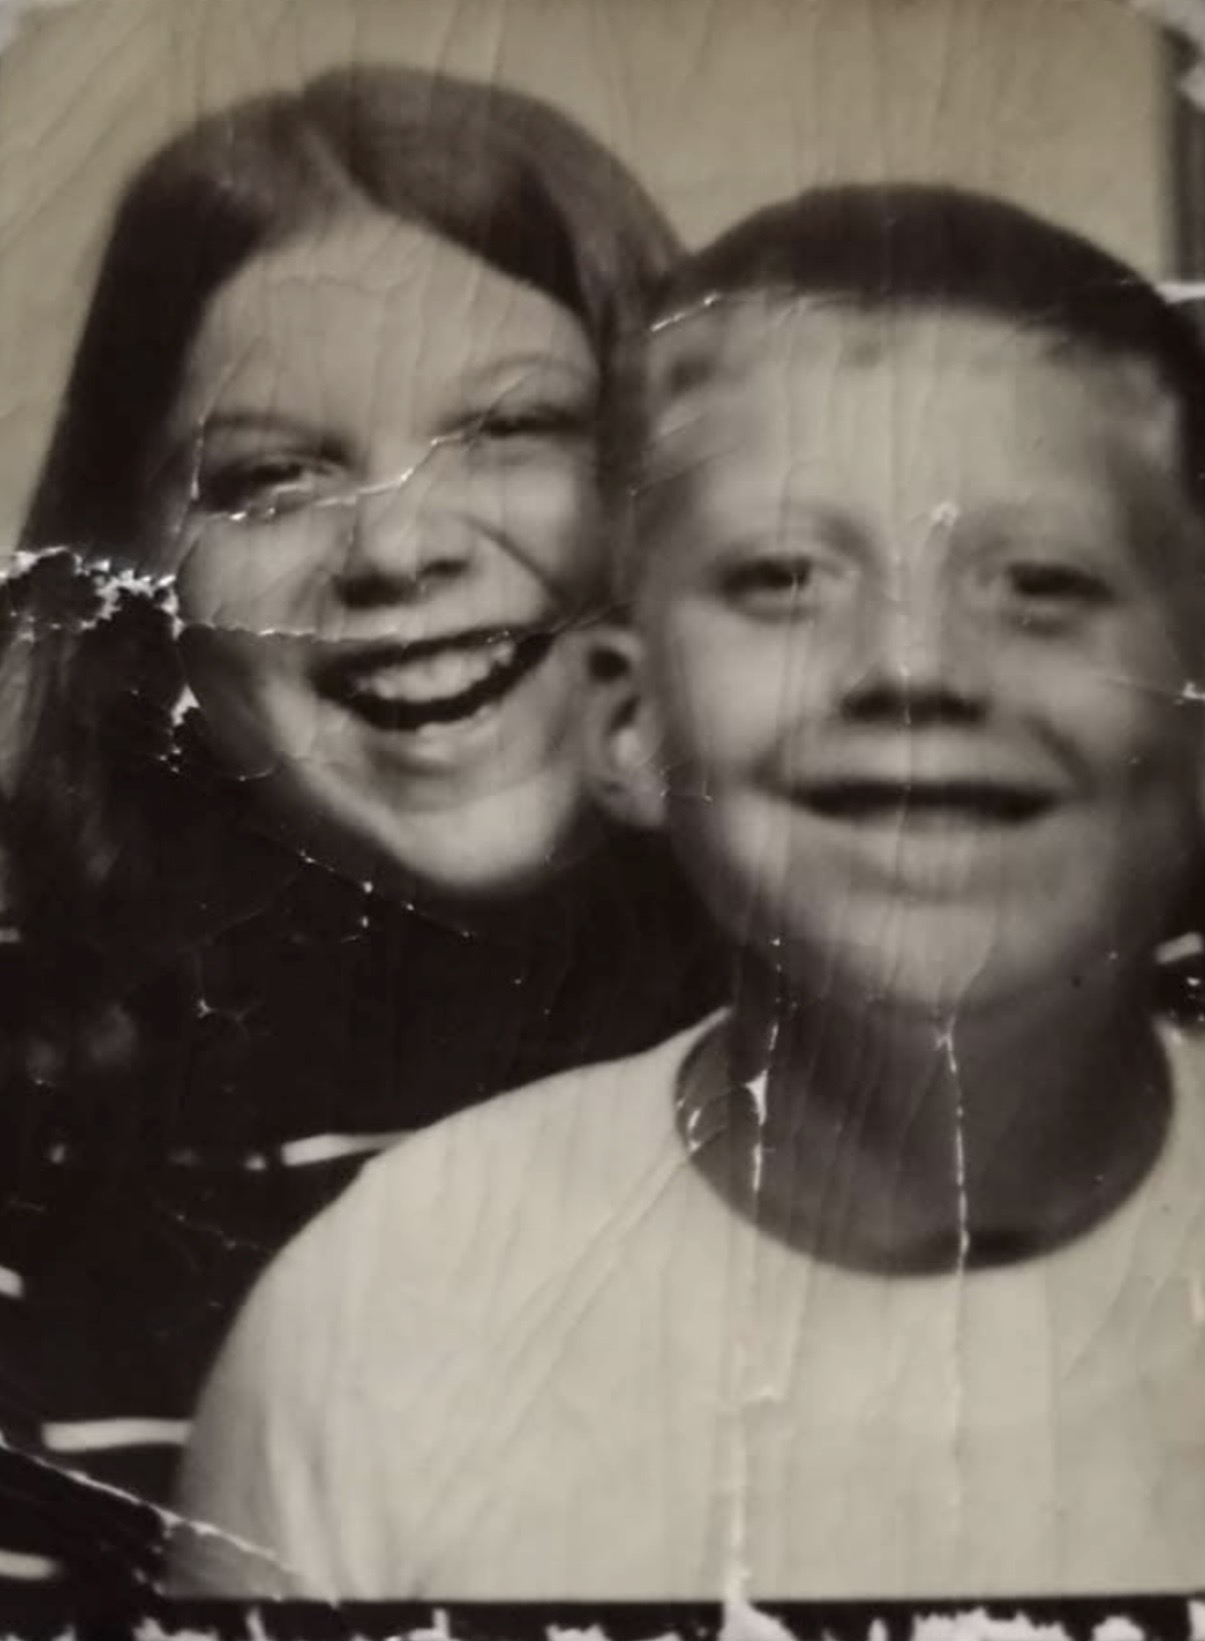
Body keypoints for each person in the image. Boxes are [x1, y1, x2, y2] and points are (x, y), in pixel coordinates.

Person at [171, 185, 1205, 1601]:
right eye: (783, 576)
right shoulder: (377, 1328)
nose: (913, 668)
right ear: (629, 723)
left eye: (1041, 581)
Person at [0, 65, 724, 1594]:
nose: (397, 544)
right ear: (134, 567)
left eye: (514, 426)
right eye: (270, 477)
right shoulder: (37, 1072)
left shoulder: (933, 997)